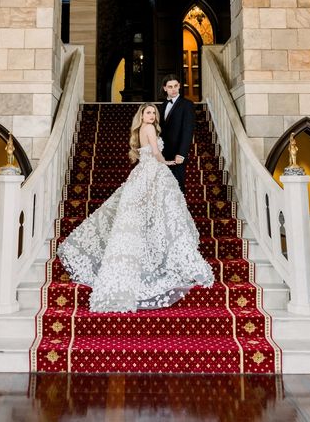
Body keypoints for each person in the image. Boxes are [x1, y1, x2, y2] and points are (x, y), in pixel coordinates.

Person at [57, 103, 213, 312]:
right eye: (148, 112)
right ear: (142, 115)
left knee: (145, 217)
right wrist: (166, 163)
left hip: (143, 173)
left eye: (153, 113)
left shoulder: (141, 130)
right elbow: (156, 153)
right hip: (152, 172)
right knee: (160, 215)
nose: (151, 115)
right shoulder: (148, 129)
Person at [158, 74, 195, 193]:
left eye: (175, 86)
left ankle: (180, 211)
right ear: (165, 88)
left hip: (177, 154)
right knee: (164, 187)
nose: (173, 89)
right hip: (163, 153)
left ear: (179, 86)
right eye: (170, 87)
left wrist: (182, 153)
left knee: (177, 187)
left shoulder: (187, 104)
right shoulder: (162, 106)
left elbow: (188, 130)